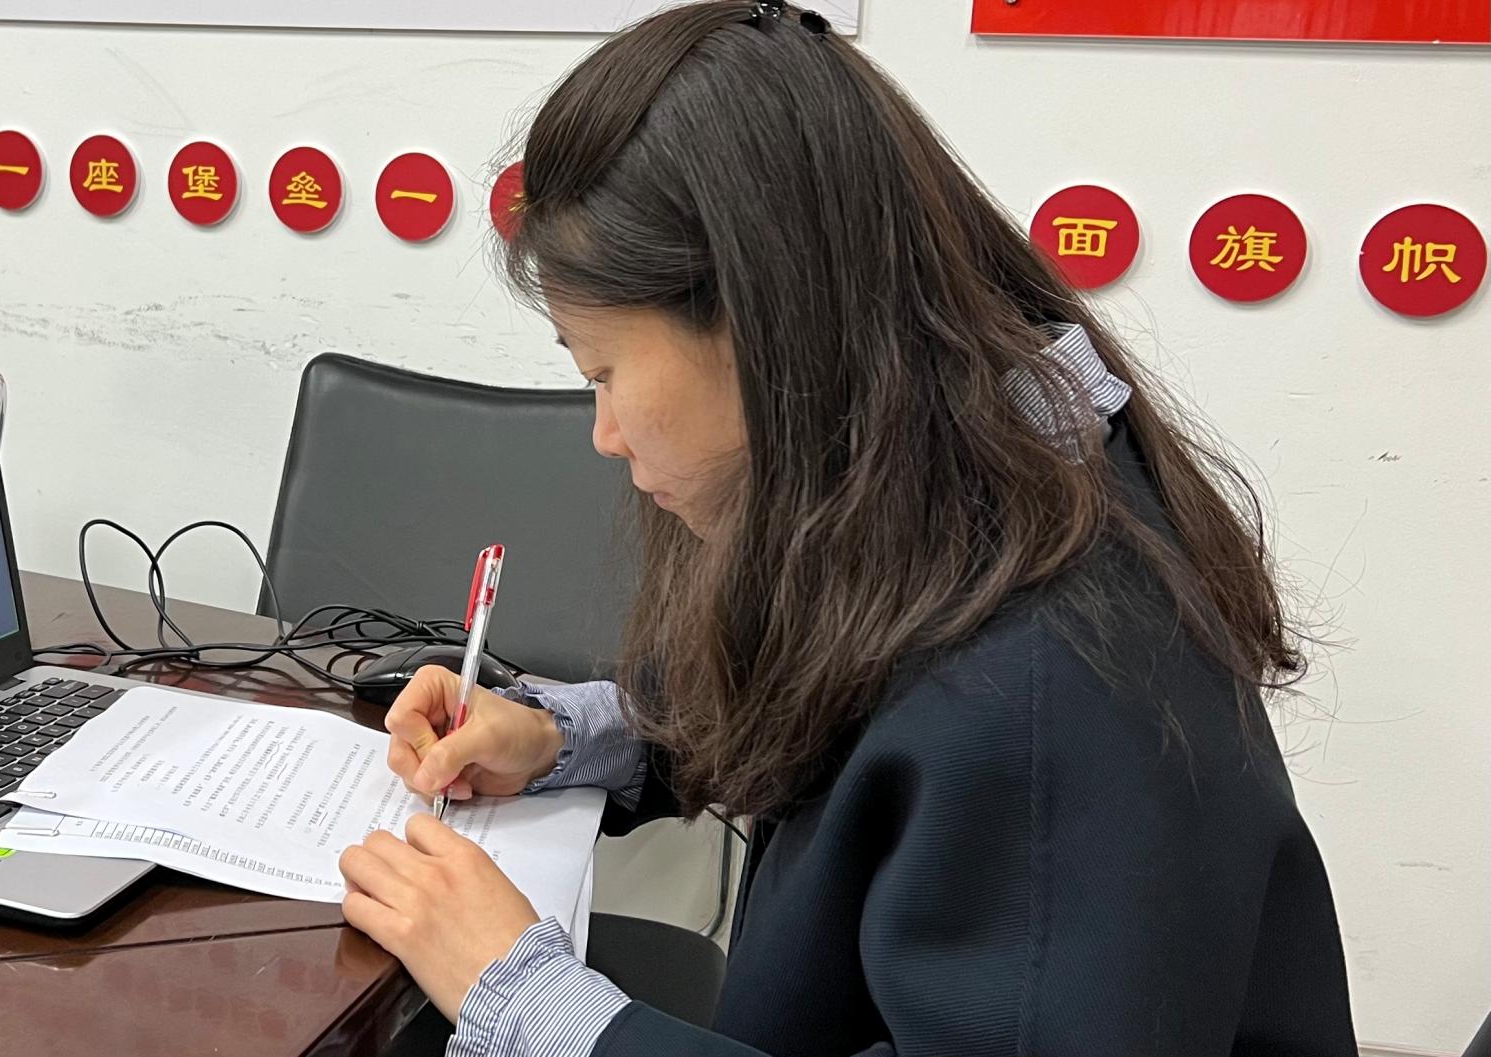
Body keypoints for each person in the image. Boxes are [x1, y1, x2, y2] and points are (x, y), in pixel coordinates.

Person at [336, 2, 1358, 1054]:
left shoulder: (1046, 691)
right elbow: (839, 671)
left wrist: (524, 996)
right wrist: (571, 735)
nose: (603, 432)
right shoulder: (963, 482)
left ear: (764, 331)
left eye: (603, 370)